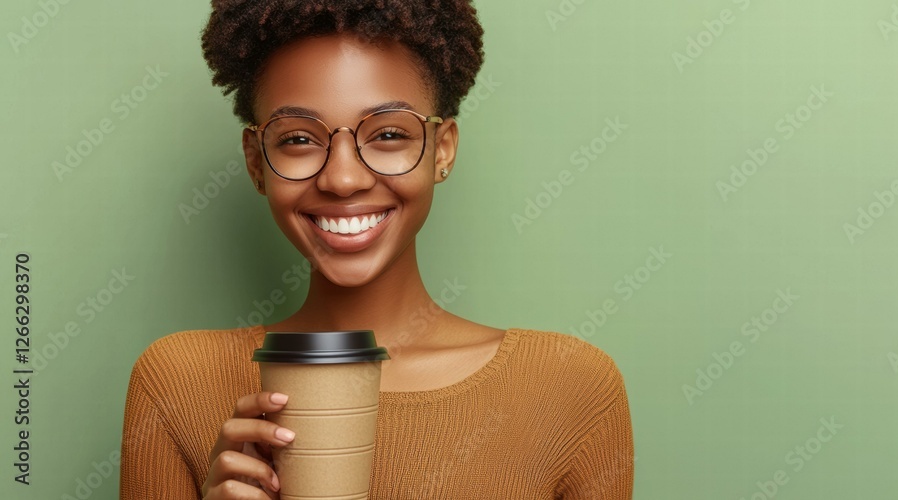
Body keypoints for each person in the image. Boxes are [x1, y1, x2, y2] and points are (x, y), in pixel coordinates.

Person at [120, 1, 633, 498]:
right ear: (257, 163)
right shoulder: (176, 382)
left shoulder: (571, 390)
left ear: (442, 150)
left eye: (388, 134)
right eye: (298, 140)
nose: (343, 179)